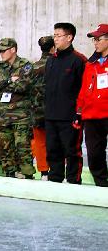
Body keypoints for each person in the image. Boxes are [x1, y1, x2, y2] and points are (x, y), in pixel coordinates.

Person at [43, 22, 88, 184]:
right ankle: (55, 179)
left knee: (72, 151)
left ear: (69, 37)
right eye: (54, 35)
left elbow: (85, 89)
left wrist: (79, 113)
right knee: (52, 150)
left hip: (70, 116)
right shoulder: (51, 61)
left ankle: (73, 181)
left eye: (58, 36)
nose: (55, 39)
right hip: (51, 115)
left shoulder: (79, 60)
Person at [0, 37, 36, 178]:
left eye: (4, 50)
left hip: (20, 113)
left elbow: (23, 86)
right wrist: (9, 80)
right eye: (0, 51)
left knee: (22, 145)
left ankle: (27, 173)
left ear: (13, 49)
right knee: (5, 145)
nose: (1, 53)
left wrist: (4, 85)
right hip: (2, 114)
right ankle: (10, 172)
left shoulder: (25, 65)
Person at [77, 24, 108, 187]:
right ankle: (102, 184)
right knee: (94, 152)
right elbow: (84, 89)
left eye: (99, 39)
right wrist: (79, 111)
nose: (95, 43)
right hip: (92, 115)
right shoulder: (91, 63)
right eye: (94, 40)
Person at [30, 35, 56, 179]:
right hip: (54, 111)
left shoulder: (33, 67)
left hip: (36, 110)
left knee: (39, 143)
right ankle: (57, 170)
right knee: (56, 141)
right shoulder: (56, 64)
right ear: (53, 47)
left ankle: (44, 171)